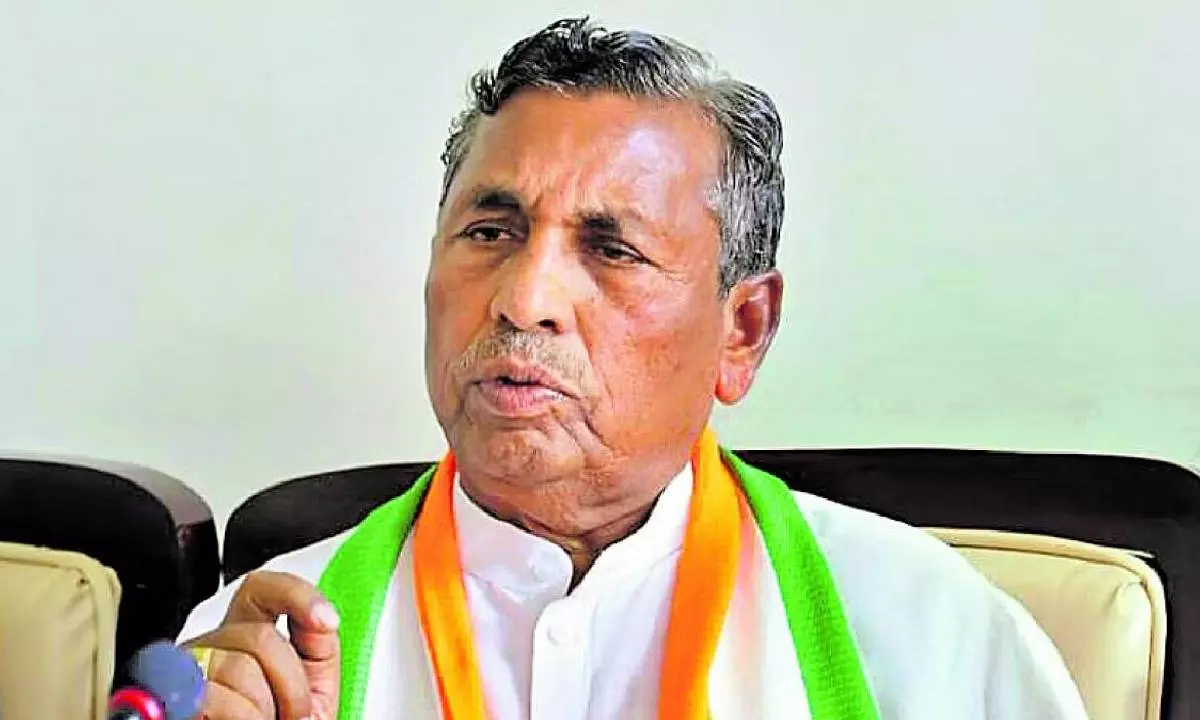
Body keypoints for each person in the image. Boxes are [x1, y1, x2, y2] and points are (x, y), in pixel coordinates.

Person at [178, 17, 1089, 720]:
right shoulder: (257, 652)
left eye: (612, 249)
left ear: (742, 332)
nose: (524, 298)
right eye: (490, 232)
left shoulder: (934, 639)